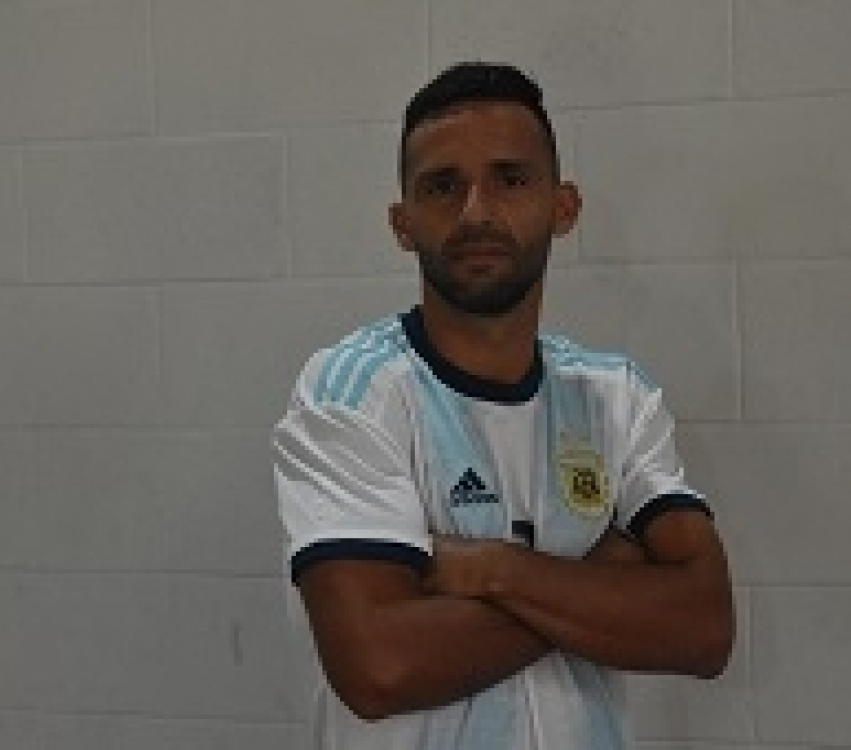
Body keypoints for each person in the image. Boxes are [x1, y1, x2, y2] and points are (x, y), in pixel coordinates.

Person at [272, 62, 734, 750]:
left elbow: (704, 627)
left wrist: (496, 569)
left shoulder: (617, 396)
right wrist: (603, 579)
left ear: (563, 207)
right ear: (402, 223)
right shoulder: (349, 393)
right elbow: (379, 667)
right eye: (442, 186)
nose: (476, 212)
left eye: (510, 179)